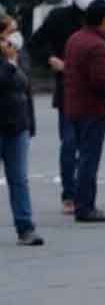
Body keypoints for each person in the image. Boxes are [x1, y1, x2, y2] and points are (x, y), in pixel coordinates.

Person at [29, 0, 105, 216]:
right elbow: (36, 42)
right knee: (70, 144)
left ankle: (81, 197)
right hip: (68, 89)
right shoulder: (59, 17)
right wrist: (51, 59)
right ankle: (70, 195)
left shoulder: (102, 24)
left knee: (87, 149)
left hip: (91, 95)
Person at [63, 0, 105, 223]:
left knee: (82, 157)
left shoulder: (74, 38)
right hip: (93, 109)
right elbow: (101, 81)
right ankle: (86, 207)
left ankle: (80, 202)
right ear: (104, 20)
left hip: (74, 107)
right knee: (90, 159)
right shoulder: (98, 45)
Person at [0, 27, 43, 245]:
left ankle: (25, 228)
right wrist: (8, 63)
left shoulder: (18, 54)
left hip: (17, 126)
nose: (15, 36)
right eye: (9, 32)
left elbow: (25, 87)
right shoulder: (8, 59)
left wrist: (30, 124)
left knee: (19, 180)